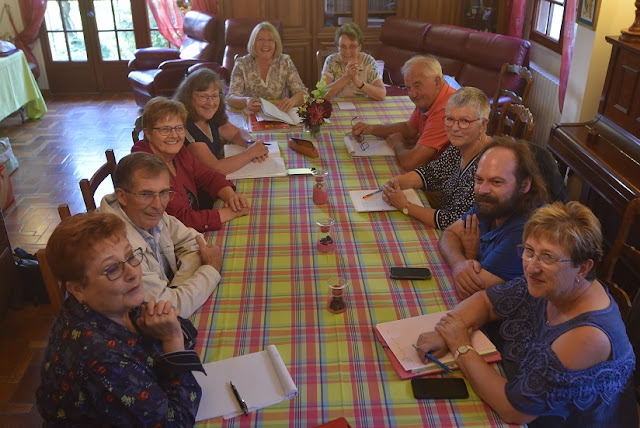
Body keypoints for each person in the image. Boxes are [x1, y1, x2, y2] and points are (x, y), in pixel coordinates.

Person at [416, 202, 638, 427]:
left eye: (548, 257)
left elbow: (514, 411)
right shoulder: (557, 282)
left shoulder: (589, 336)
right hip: (513, 388)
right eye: (529, 251)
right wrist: (446, 330)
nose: (532, 267)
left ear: (582, 268)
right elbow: (486, 301)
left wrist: (461, 346)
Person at [36, 212, 205, 426]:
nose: (133, 272)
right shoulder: (99, 360)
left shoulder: (114, 304)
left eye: (130, 256)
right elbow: (176, 422)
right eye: (112, 268)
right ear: (77, 288)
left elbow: (186, 331)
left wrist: (168, 336)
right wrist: (171, 341)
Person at [98, 152, 223, 317]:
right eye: (146, 194)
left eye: (164, 192)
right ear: (122, 196)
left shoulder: (144, 213)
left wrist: (176, 287)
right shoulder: (117, 251)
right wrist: (211, 269)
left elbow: (194, 243)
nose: (158, 205)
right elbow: (170, 310)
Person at [439, 137, 548, 299]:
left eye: (496, 182)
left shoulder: (525, 232)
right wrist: (459, 264)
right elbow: (449, 234)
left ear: (525, 185)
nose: (483, 190)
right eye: (479, 180)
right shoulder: (493, 204)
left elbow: (471, 292)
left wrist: (470, 256)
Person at [132, 96, 249, 232]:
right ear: (149, 134)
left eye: (179, 128)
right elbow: (180, 221)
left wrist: (231, 196)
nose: (174, 135)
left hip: (190, 229)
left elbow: (207, 176)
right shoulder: (144, 169)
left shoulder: (179, 152)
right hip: (166, 242)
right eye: (165, 129)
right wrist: (230, 213)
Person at [381, 87, 491, 229]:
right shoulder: (461, 146)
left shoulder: (487, 166)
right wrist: (396, 182)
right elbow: (432, 173)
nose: (455, 128)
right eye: (450, 119)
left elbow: (452, 221)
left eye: (464, 121)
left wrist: (405, 206)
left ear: (483, 124)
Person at [352, 55, 456, 171]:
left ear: (437, 81)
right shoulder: (429, 97)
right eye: (408, 88)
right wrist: (371, 129)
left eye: (417, 86)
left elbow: (410, 163)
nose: (413, 94)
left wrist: (397, 143)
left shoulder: (446, 110)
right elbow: (409, 129)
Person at [174, 68, 269, 175]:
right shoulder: (186, 128)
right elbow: (216, 168)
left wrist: (251, 144)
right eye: (203, 96)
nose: (210, 103)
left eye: (214, 96)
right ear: (188, 98)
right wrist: (250, 153)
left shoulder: (212, 116)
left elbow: (235, 133)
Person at [226, 21, 307, 113]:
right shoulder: (242, 64)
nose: (266, 44)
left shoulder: (285, 62)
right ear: (253, 42)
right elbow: (231, 97)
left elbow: (302, 92)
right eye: (260, 39)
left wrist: (292, 101)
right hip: (252, 115)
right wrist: (246, 101)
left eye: (270, 40)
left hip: (279, 114)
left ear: (276, 44)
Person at [321, 22, 386, 101]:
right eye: (343, 47)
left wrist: (358, 82)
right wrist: (347, 77)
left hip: (362, 108)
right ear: (338, 47)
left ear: (359, 48)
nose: (347, 52)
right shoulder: (331, 61)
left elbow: (381, 94)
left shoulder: (368, 62)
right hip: (336, 108)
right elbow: (321, 94)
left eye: (352, 47)